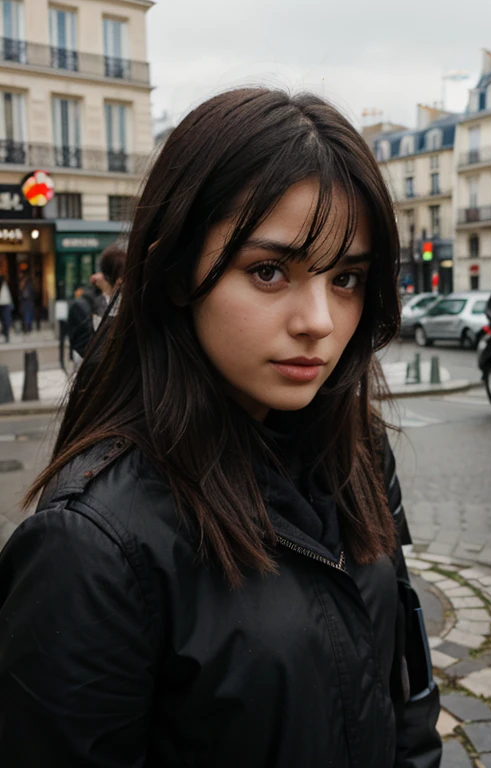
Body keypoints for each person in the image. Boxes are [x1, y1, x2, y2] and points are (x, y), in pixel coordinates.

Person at [0, 88, 442, 768]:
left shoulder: (358, 452)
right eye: (269, 272)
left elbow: (405, 696)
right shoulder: (90, 550)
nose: (319, 321)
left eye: (347, 277)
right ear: (175, 271)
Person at [0, 275, 13, 343]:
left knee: (6, 321)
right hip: (2, 305)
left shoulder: (6, 287)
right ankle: (5, 334)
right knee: (3, 321)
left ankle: (6, 335)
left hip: (6, 305)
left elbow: (9, 297)